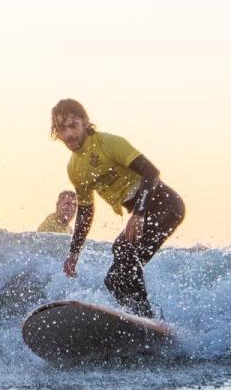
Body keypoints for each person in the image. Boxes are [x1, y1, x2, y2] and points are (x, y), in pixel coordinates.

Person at [52, 98, 185, 318]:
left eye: (72, 126)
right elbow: (85, 212)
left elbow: (151, 172)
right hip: (144, 212)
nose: (68, 135)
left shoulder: (109, 144)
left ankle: (147, 317)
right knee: (114, 279)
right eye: (61, 129)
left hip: (165, 205)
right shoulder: (75, 168)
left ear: (85, 122)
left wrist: (139, 213)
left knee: (123, 250)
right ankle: (142, 320)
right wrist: (74, 253)